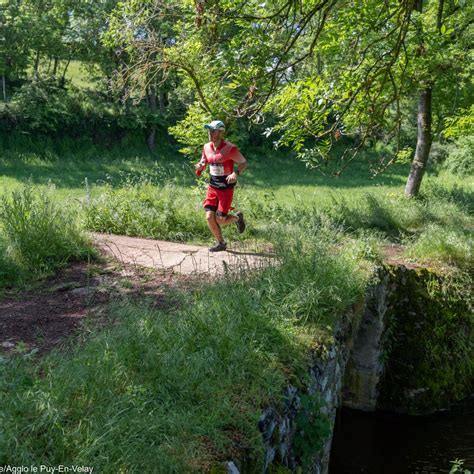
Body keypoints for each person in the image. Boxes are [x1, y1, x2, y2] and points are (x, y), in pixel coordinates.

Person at [195, 120, 247, 252]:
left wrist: (236, 173)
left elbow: (243, 163)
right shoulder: (206, 147)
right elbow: (203, 162)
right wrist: (200, 167)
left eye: (213, 130)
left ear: (220, 132)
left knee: (221, 220)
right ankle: (221, 243)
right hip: (213, 187)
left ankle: (236, 218)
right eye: (209, 130)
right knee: (209, 217)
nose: (210, 133)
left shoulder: (230, 148)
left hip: (225, 188)